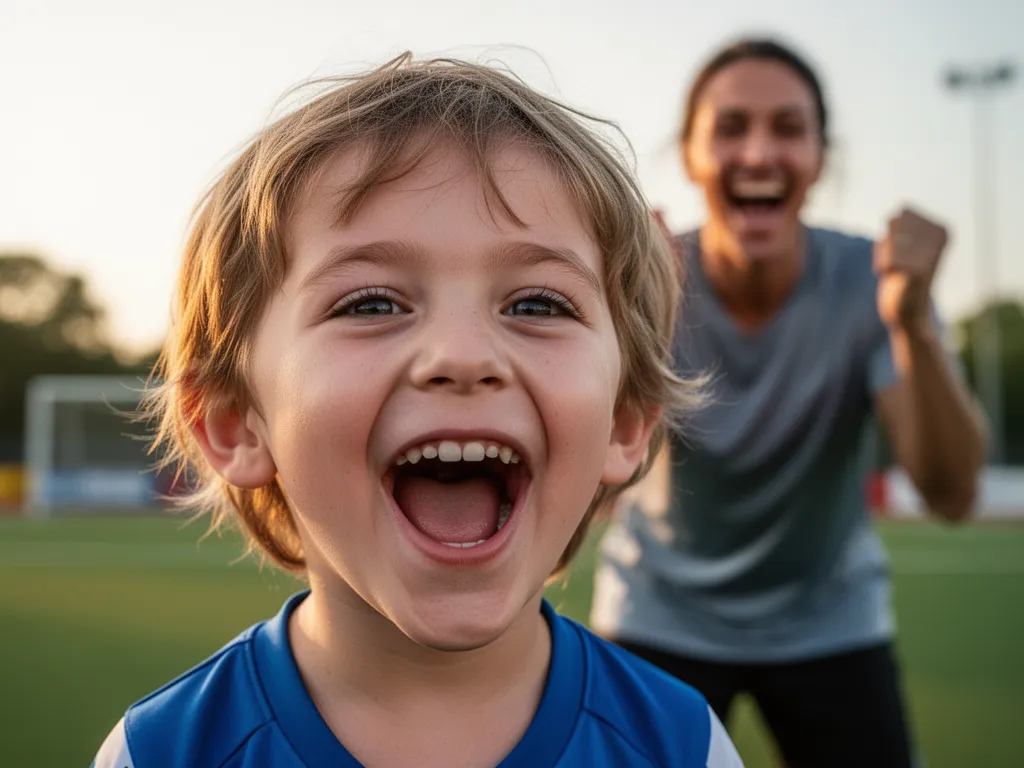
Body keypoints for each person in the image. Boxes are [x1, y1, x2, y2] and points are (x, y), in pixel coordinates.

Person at [90, 54, 743, 768]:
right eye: (371, 303)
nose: (462, 355)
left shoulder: (683, 745)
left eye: (536, 304)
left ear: (624, 422)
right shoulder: (161, 752)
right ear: (232, 420)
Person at [591, 38, 989, 768]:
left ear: (820, 156)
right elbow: (599, 480)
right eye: (732, 127)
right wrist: (618, 327)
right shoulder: (653, 279)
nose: (760, 152)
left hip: (828, 619)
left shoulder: (878, 285)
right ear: (689, 155)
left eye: (788, 128)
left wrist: (912, 327)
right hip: (660, 610)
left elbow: (954, 494)